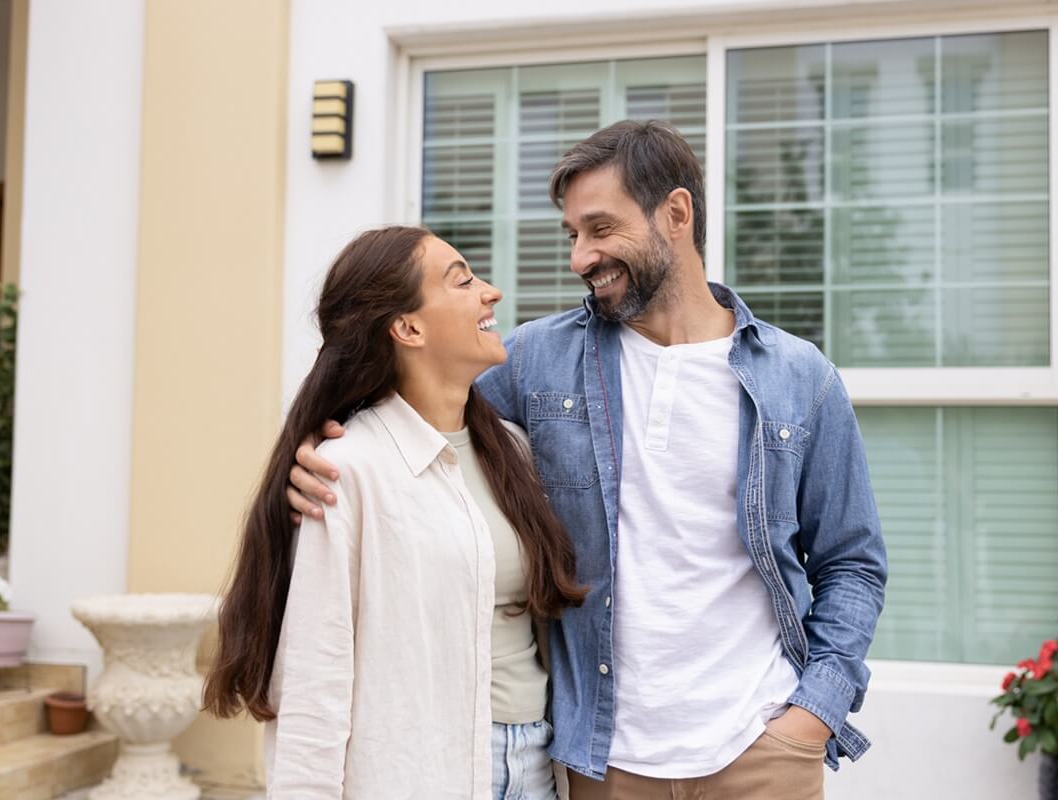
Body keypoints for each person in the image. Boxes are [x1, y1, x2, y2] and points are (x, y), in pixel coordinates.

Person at [288, 121, 888, 800]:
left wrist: (813, 715)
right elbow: (410, 419)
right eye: (572, 234)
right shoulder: (536, 361)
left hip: (762, 751)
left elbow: (851, 562)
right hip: (604, 760)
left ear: (676, 214)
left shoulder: (799, 378)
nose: (581, 256)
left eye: (600, 229)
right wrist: (315, 452)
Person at [204, 226, 584, 798]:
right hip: (425, 769)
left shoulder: (513, 451)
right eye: (463, 281)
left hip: (534, 766)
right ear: (407, 328)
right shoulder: (346, 471)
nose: (491, 292)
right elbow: (316, 680)